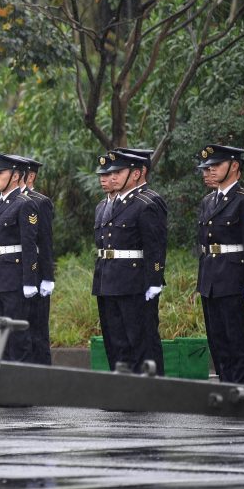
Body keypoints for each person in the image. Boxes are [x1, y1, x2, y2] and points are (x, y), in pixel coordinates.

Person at [92, 151, 167, 374]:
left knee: (141, 340)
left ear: (135, 174)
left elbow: (155, 246)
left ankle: (148, 391)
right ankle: (123, 390)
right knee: (115, 340)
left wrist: (154, 279)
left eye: (118, 172)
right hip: (107, 279)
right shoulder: (104, 206)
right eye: (110, 173)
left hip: (134, 282)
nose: (112, 177)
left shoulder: (147, 203)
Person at [196, 144, 244, 385]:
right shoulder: (208, 201)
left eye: (215, 167)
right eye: (206, 168)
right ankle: (227, 384)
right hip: (211, 279)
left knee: (238, 338)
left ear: (234, 166)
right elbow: (203, 245)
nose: (208, 172)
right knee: (217, 338)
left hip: (234, 278)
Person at [0, 153, 41, 361]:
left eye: (0, 173)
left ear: (16, 176)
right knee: (0, 332)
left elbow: (29, 245)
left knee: (17, 335)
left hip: (15, 277)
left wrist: (29, 280)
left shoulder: (25, 204)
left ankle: (22, 381)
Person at [17, 155, 54, 364]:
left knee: (38, 331)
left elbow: (46, 242)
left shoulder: (40, 202)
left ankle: (44, 384)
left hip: (37, 272)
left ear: (29, 176)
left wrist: (47, 276)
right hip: (17, 274)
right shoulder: (9, 201)